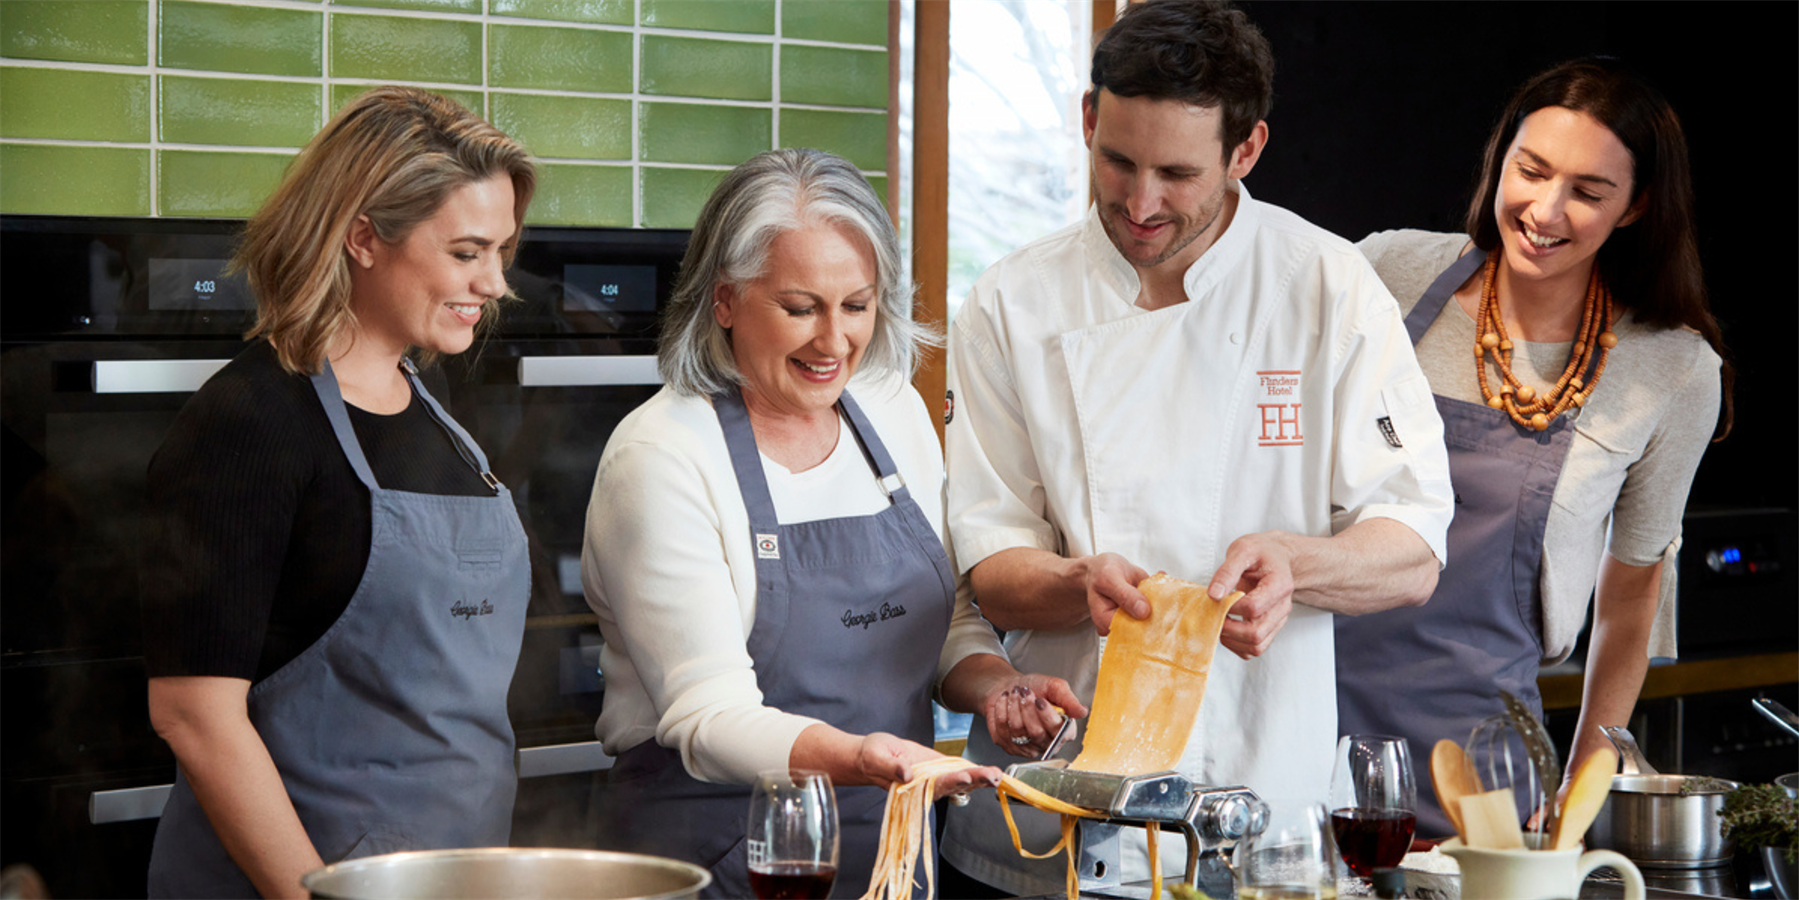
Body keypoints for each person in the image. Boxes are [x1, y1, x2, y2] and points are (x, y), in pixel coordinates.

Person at [937, 0, 1458, 894]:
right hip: (1055, 806)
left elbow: (1412, 548)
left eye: (1176, 173)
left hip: (1258, 798)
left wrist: (1298, 564)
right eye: (1117, 161)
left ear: (1245, 150)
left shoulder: (1324, 286)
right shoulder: (1009, 302)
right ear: (1088, 119)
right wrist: (1073, 582)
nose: (1140, 204)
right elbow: (990, 562)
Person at [581, 148, 1085, 900]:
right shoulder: (661, 455)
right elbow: (709, 716)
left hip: (888, 855)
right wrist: (867, 757)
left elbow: (942, 621)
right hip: (717, 857)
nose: (833, 341)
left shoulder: (889, 409)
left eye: (856, 305)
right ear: (724, 301)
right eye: (799, 307)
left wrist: (997, 687)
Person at [141, 87, 536, 900]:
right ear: (363, 237)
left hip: (451, 875)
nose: (494, 282)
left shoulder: (432, 410)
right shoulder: (251, 421)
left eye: (501, 250)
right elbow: (194, 714)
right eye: (466, 252)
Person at [1335, 58, 1729, 838]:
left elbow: (1630, 594)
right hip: (1308, 712)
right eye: (1531, 170)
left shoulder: (1673, 368)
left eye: (1587, 192)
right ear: (1500, 158)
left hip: (1482, 759)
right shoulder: (1386, 269)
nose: (1544, 210)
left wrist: (1583, 784)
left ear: (1635, 207)